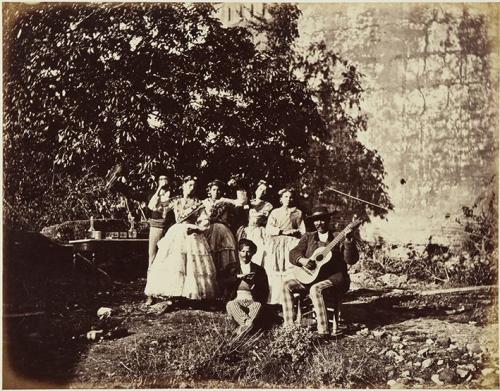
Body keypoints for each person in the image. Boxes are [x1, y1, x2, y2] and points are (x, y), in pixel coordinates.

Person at [281, 206, 359, 337]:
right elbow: (293, 253)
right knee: (286, 285)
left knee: (315, 289)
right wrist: (303, 261)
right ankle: (289, 327)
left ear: (327, 220)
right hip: (311, 277)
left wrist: (349, 241)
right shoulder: (308, 237)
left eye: (322, 219)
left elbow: (351, 260)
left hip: (335, 278)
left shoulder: (337, 237)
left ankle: (323, 331)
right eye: (316, 220)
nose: (319, 223)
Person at [144, 176, 218, 307]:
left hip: (192, 233)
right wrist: (160, 188)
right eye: (189, 185)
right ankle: (175, 293)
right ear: (183, 185)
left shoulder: (198, 202)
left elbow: (204, 220)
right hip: (177, 232)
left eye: (194, 185)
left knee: (192, 265)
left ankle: (189, 295)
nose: (192, 188)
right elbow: (153, 206)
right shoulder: (175, 200)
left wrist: (199, 229)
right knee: (175, 264)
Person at [202, 179, 243, 299]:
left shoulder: (225, 201)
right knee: (210, 258)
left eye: (218, 189)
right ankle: (210, 290)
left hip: (223, 230)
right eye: (214, 189)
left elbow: (240, 202)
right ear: (209, 191)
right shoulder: (204, 202)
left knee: (224, 260)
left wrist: (238, 187)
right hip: (208, 229)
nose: (216, 192)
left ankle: (223, 289)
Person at [264, 188, 305, 304]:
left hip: (291, 243)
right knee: (276, 268)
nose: (288, 199)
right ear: (281, 199)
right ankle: (274, 299)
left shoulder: (298, 212)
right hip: (277, 243)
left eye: (290, 197)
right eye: (286, 197)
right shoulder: (275, 212)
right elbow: (269, 228)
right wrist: (281, 231)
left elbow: (303, 230)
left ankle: (288, 299)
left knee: (289, 268)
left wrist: (296, 232)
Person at [225, 239, 269, 337]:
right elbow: (223, 282)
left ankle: (241, 329)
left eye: (248, 251)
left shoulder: (259, 270)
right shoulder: (231, 267)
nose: (245, 254)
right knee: (231, 305)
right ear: (239, 252)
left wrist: (255, 286)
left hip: (251, 300)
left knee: (257, 305)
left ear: (253, 253)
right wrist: (236, 277)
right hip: (236, 299)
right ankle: (248, 324)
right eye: (243, 251)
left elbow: (265, 290)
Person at [236, 180, 273, 267]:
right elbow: (240, 214)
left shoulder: (268, 205)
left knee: (258, 252)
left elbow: (257, 218)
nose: (262, 192)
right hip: (246, 230)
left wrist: (250, 209)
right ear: (256, 190)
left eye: (264, 191)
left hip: (258, 231)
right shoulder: (249, 202)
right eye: (260, 189)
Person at [147, 174, 172, 269]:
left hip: (168, 226)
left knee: (166, 253)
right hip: (156, 225)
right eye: (160, 179)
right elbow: (151, 206)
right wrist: (159, 189)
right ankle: (150, 278)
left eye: (165, 178)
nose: (163, 181)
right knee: (152, 253)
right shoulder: (154, 193)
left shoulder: (172, 194)